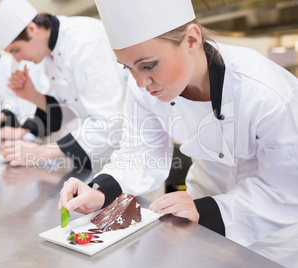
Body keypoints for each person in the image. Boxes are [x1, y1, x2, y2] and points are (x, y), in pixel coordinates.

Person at [59, 0, 298, 248]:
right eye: (128, 67)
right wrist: (100, 190)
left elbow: (285, 190)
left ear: (192, 40)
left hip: (271, 232)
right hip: (198, 210)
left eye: (149, 65)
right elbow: (142, 151)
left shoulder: (267, 93)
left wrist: (206, 210)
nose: (140, 82)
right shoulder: (145, 88)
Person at [0, 0, 128, 171]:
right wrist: (32, 95)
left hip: (130, 152)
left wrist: (41, 152)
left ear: (32, 29)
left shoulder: (85, 42)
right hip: (99, 152)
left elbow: (109, 122)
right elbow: (66, 110)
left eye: (16, 50)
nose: (17, 59)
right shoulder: (49, 54)